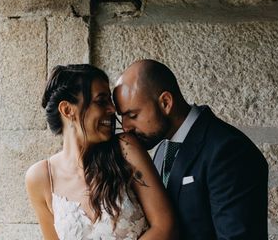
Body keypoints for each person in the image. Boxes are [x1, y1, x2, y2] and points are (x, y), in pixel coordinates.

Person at [113, 59, 268, 240]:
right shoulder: (163, 149)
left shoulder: (228, 151)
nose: (126, 127)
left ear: (165, 103)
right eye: (122, 117)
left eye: (133, 115)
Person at [26, 64, 177, 240]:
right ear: (67, 110)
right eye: (101, 100)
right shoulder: (40, 178)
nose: (112, 109)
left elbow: (165, 226)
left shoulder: (126, 148)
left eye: (110, 101)